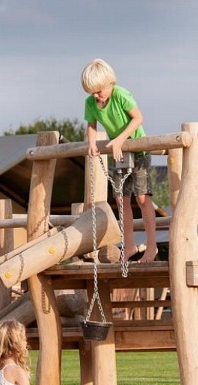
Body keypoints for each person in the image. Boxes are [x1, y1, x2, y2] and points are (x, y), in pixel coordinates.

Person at [81, 58, 157, 263]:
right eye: (92, 92)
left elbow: (138, 118)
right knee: (121, 199)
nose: (96, 96)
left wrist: (119, 140)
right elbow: (91, 125)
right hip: (119, 153)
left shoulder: (121, 94)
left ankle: (152, 246)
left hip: (137, 149)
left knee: (142, 198)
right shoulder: (91, 103)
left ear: (109, 84)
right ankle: (129, 244)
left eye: (99, 91)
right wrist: (91, 143)